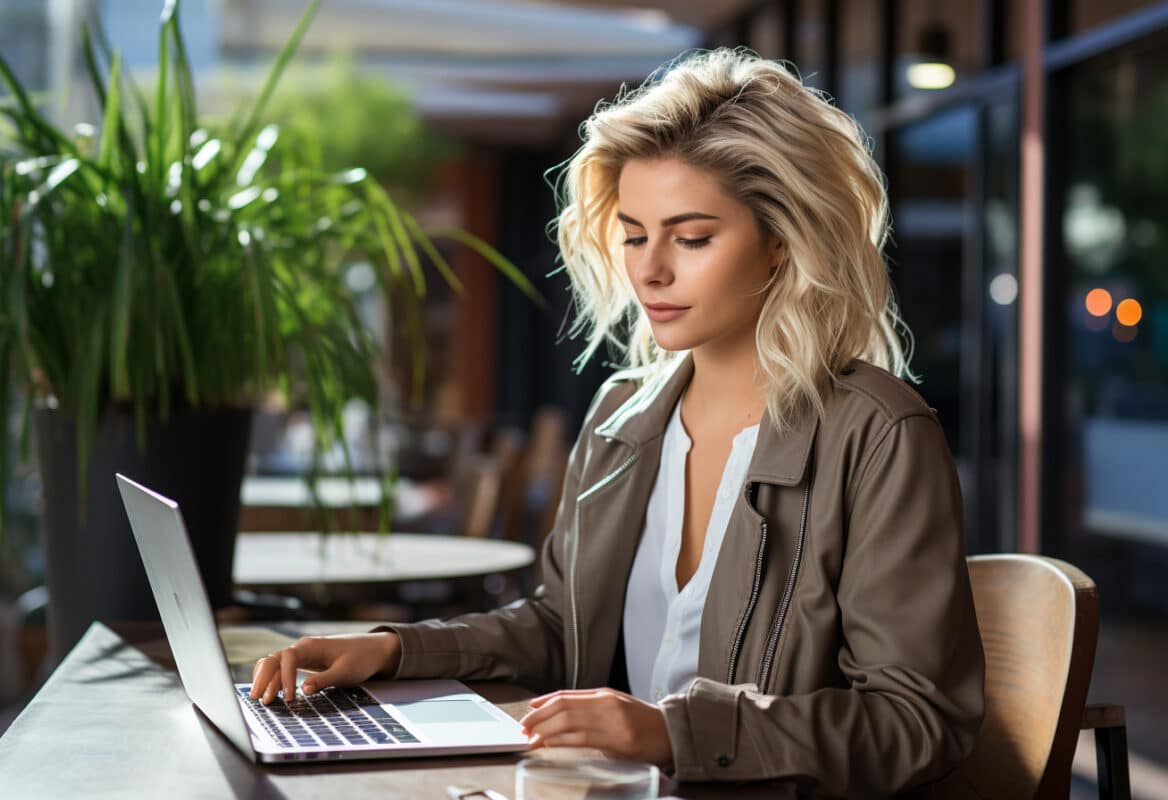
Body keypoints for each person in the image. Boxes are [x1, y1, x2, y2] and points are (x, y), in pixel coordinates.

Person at [249, 47, 985, 797]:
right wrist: (390, 651)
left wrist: (672, 733)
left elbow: (916, 721)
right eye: (634, 234)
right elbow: (561, 627)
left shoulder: (878, 435)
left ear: (780, 244)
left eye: (692, 238)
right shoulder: (622, 416)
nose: (650, 270)